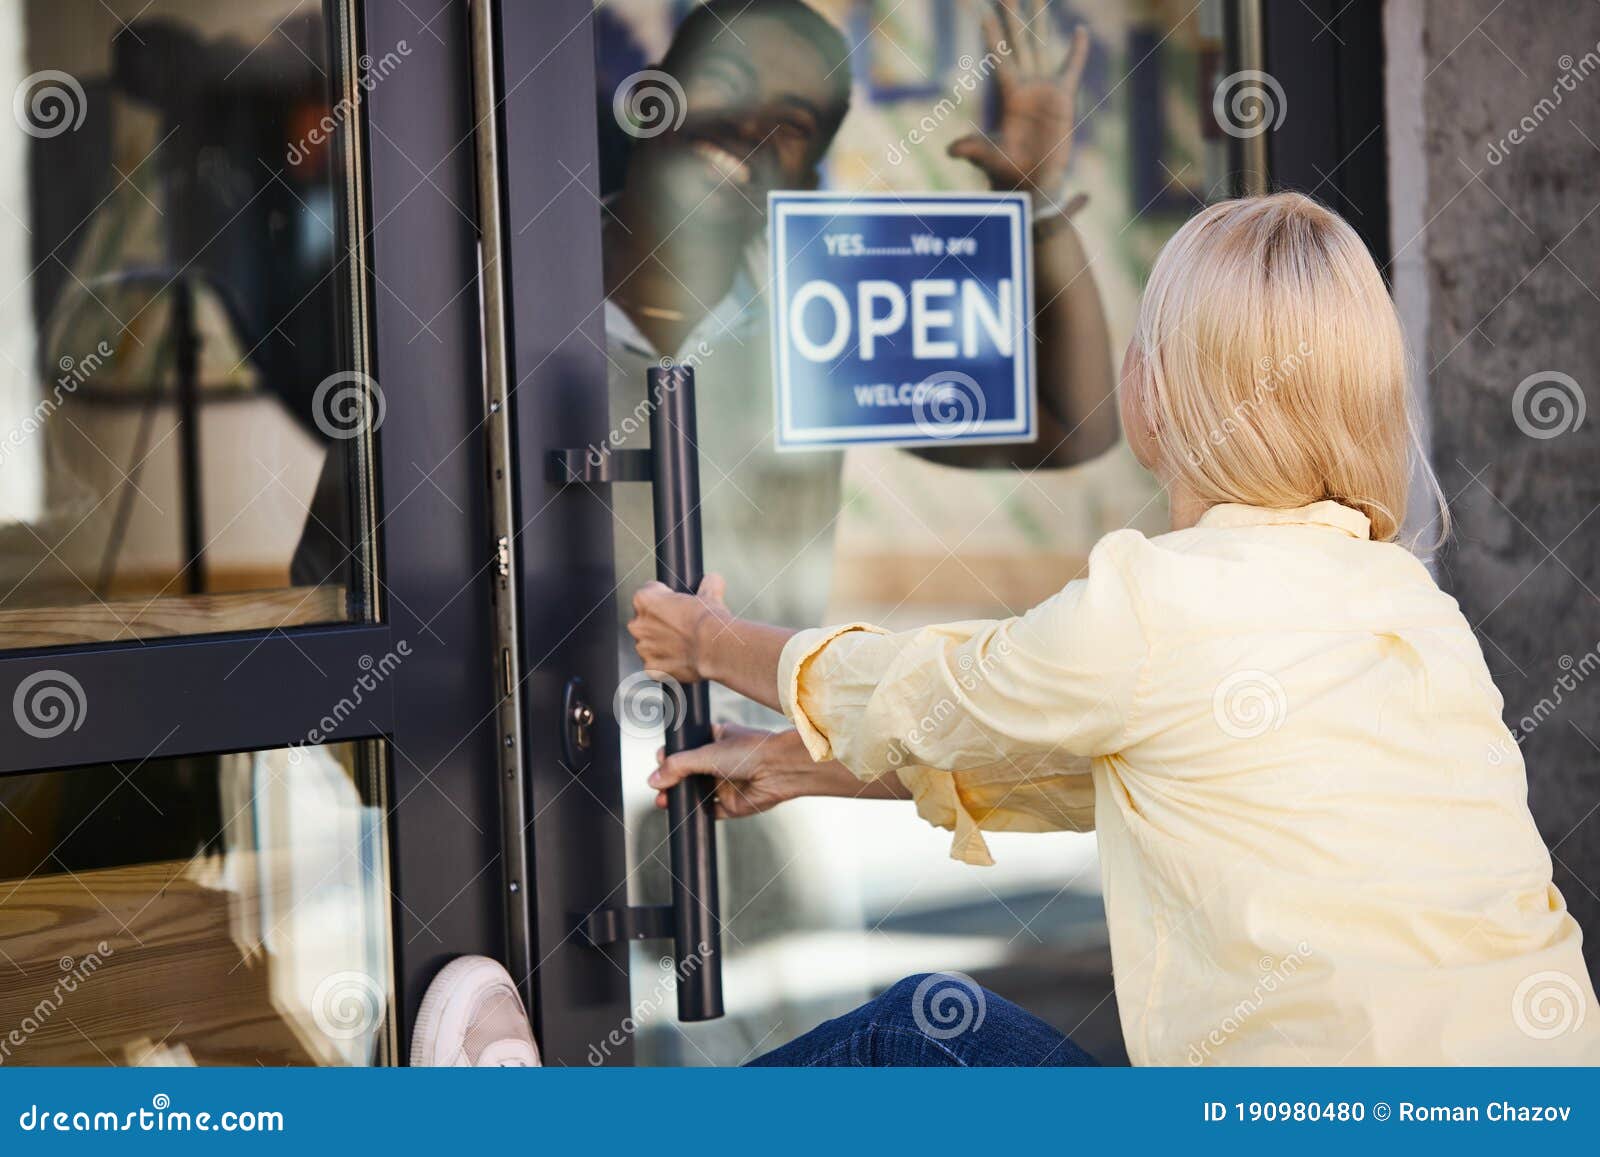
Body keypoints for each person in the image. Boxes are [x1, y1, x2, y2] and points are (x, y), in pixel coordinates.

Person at [614, 192, 1600, 1065]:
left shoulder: (1160, 601)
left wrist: (710, 641)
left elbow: (934, 693)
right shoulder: (1412, 609)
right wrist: (797, 764)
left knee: (915, 1033)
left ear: (1157, 394)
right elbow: (1100, 773)